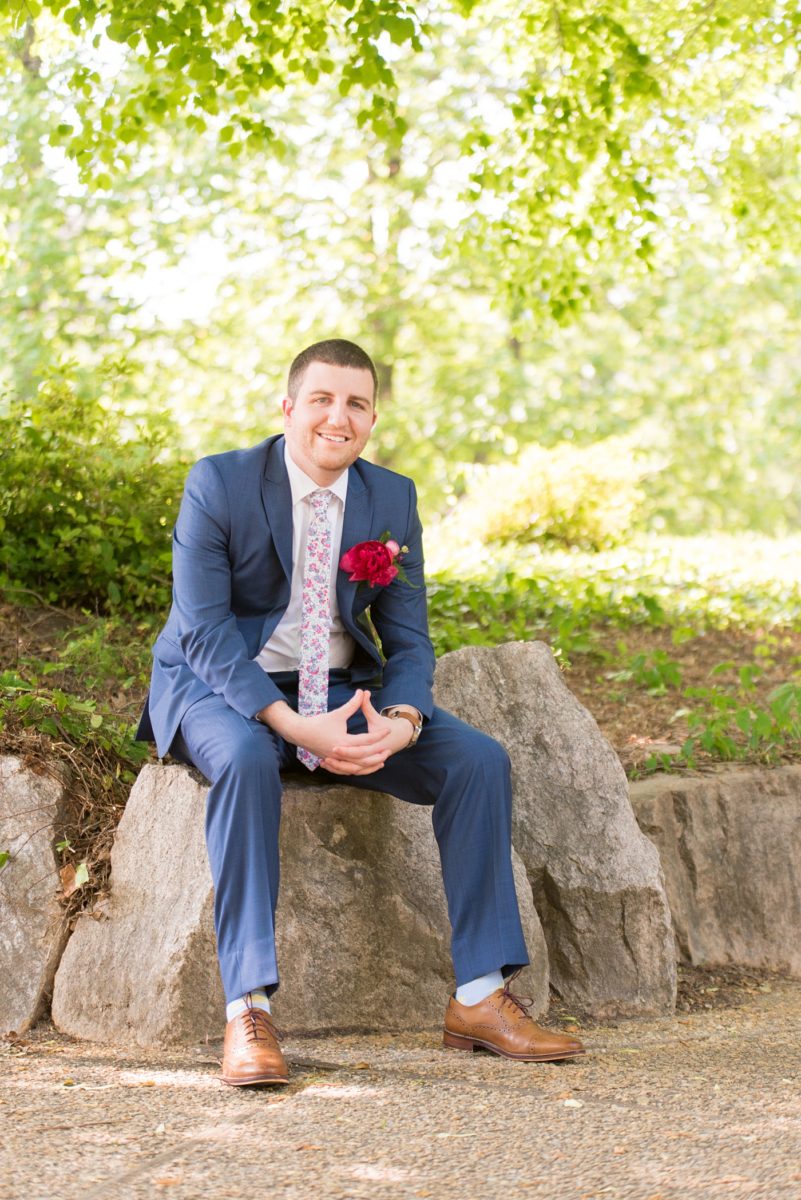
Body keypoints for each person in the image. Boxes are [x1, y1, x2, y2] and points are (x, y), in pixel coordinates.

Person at [137, 338, 585, 1086]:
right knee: (248, 761)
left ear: (372, 417)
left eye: (355, 403)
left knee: (477, 760)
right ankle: (246, 1010)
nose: (336, 418)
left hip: (342, 688)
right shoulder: (218, 482)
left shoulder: (391, 498)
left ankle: (478, 996)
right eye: (320, 399)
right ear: (287, 409)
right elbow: (204, 631)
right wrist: (286, 725)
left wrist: (404, 718)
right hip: (221, 686)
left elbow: (409, 638)